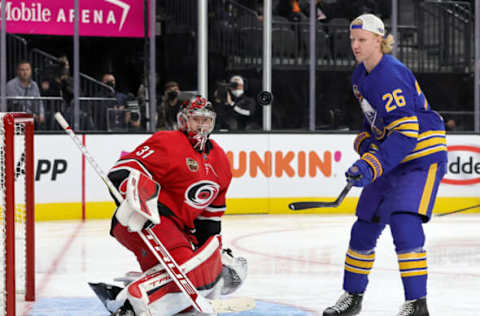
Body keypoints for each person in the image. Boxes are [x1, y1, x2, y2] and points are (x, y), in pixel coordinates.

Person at [323, 14, 447, 316]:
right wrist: (365, 147)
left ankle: (417, 304)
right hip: (392, 157)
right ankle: (352, 297)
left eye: (362, 39)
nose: (355, 45)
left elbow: (406, 134)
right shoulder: (360, 76)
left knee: (405, 222)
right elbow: (378, 125)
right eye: (352, 39)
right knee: (364, 225)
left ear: (379, 41)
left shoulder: (391, 74)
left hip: (420, 158)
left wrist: (372, 163)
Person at [102, 96, 247, 315]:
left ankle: (131, 299)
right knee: (189, 271)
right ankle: (137, 295)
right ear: (183, 121)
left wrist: (212, 256)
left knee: (190, 281)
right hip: (146, 221)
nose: (202, 125)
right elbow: (120, 172)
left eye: (206, 120)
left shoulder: (221, 162)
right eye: (196, 119)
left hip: (178, 233)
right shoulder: (168, 142)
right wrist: (134, 198)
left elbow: (209, 223)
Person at [6, 60, 45, 128]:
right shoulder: (11, 85)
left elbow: (39, 102)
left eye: (27, 69)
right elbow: (16, 105)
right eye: (22, 70)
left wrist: (41, 115)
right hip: (15, 118)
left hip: (33, 118)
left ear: (31, 71)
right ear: (18, 72)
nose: (25, 72)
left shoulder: (34, 85)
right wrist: (32, 115)